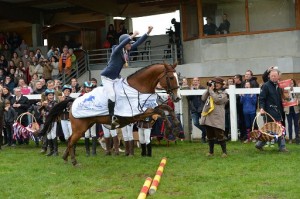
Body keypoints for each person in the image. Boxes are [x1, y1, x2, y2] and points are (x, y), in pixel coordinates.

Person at [100, 26, 153, 128]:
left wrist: (148, 32)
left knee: (125, 92)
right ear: (124, 44)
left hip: (116, 78)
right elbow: (122, 45)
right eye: (129, 43)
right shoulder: (116, 49)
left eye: (130, 43)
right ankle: (111, 118)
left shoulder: (126, 50)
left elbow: (138, 43)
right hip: (107, 78)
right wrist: (132, 36)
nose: (131, 45)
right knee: (112, 95)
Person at [255, 69, 288, 152]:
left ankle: (259, 145)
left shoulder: (278, 86)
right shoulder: (265, 86)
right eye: (272, 76)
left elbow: (280, 98)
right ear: (269, 76)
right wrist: (262, 108)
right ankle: (282, 147)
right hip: (269, 111)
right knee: (279, 128)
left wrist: (284, 102)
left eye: (275, 76)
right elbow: (262, 98)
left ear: (278, 76)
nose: (273, 77)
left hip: (278, 111)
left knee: (270, 130)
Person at [200, 77, 228, 157]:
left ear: (222, 85)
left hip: (217, 117)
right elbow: (203, 98)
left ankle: (224, 152)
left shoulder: (224, 93)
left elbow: (217, 100)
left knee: (220, 135)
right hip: (209, 116)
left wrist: (211, 91)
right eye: (215, 83)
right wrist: (208, 89)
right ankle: (211, 152)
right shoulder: (211, 91)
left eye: (218, 83)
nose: (216, 85)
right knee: (209, 135)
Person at [187, 77, 206, 143]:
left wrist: (198, 89)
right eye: (194, 81)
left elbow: (204, 97)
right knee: (195, 123)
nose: (195, 82)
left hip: (202, 109)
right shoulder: (190, 89)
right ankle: (206, 131)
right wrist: (191, 91)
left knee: (204, 123)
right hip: (194, 109)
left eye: (196, 80)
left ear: (199, 81)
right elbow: (188, 98)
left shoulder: (203, 88)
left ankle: (203, 138)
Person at [40, 89, 59, 156]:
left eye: (52, 95)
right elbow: (40, 111)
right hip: (46, 121)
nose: (51, 96)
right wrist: (42, 107)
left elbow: (53, 110)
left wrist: (46, 105)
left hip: (53, 120)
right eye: (49, 95)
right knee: (48, 135)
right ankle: (51, 150)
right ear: (47, 96)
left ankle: (56, 151)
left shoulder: (55, 102)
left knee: (53, 134)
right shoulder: (45, 102)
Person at [283, 79, 299, 144]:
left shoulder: (297, 90)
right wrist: (287, 98)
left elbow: (299, 98)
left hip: (296, 109)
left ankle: (297, 139)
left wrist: (298, 100)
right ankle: (290, 139)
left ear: (294, 84)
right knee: (289, 124)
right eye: (290, 84)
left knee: (296, 124)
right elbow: (283, 99)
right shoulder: (285, 91)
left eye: (292, 83)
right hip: (288, 109)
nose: (291, 85)